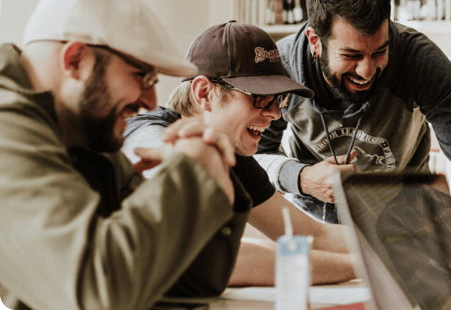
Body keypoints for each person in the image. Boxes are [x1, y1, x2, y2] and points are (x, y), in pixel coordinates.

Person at [0, 0, 251, 310]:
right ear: (75, 60)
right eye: (142, 76)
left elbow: (187, 283)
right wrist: (190, 173)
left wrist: (213, 174)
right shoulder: (7, 126)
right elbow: (98, 294)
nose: (150, 102)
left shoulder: (84, 134)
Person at [254, 0, 451, 249]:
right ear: (315, 40)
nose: (367, 71)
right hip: (317, 232)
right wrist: (301, 177)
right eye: (352, 56)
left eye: (380, 51)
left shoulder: (419, 60)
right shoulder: (282, 69)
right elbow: (253, 156)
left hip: (407, 229)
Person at [122, 20, 357, 286]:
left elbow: (311, 235)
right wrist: (362, 267)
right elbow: (209, 256)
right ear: (204, 93)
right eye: (260, 97)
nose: (275, 114)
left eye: (278, 99)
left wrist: (399, 245)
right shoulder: (146, 135)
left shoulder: (233, 158)